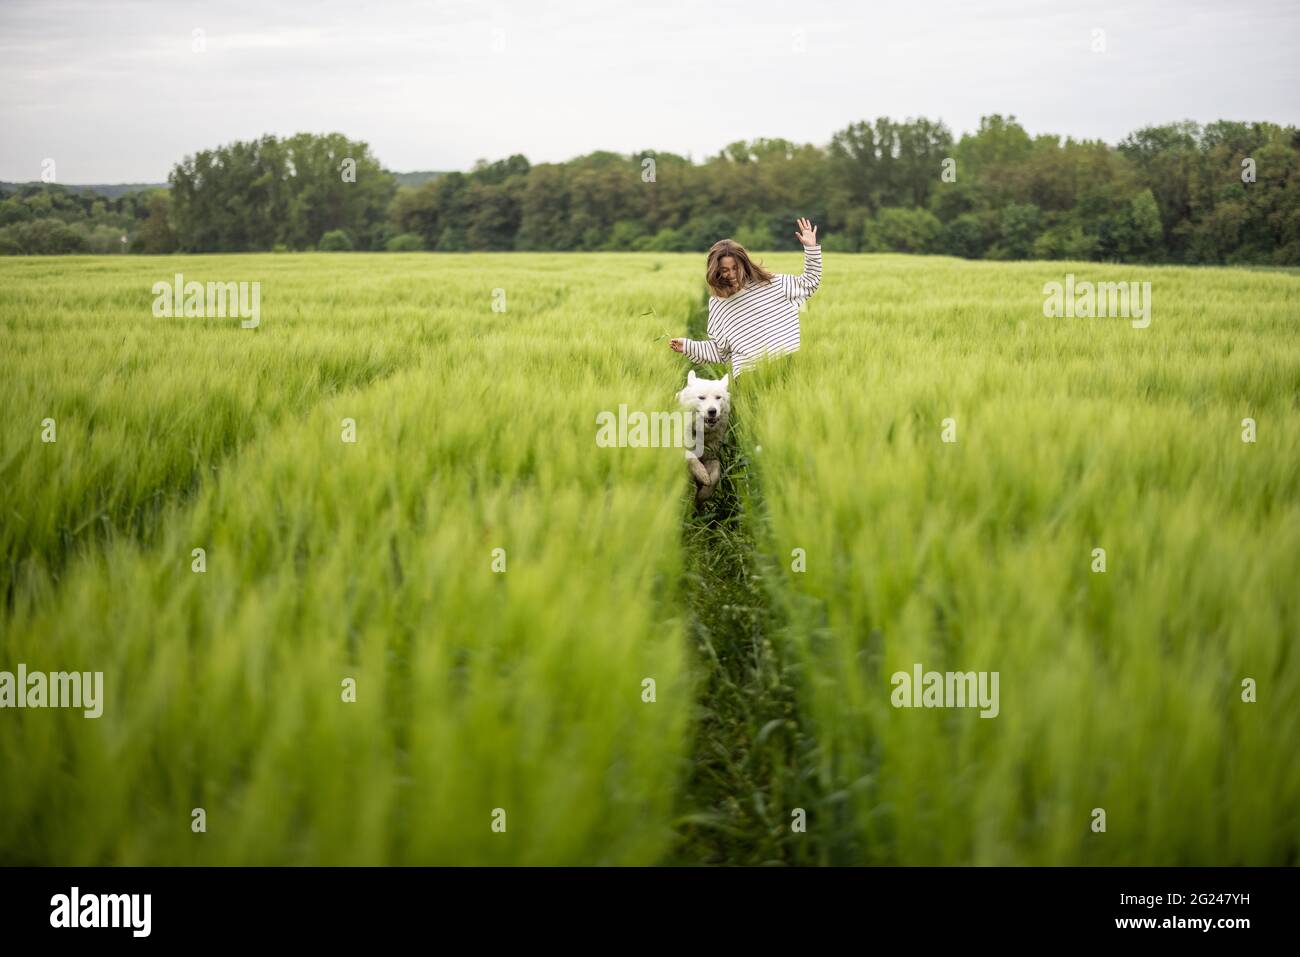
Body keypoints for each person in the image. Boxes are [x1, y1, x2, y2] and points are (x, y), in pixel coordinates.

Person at [670, 217, 821, 376]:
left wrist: (811, 248)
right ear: (716, 271)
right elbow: (721, 351)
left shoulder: (771, 283)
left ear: (744, 263)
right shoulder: (718, 303)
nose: (732, 274)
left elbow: (809, 282)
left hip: (786, 366)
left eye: (735, 268)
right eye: (725, 270)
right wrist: (688, 346)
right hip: (747, 377)